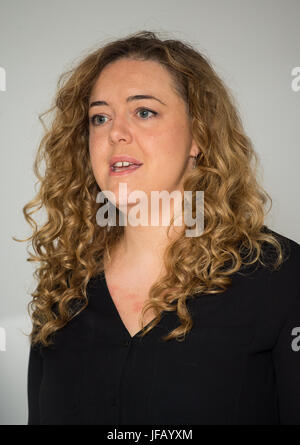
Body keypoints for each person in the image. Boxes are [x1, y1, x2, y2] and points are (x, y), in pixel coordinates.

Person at [16, 30, 300, 425]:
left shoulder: (281, 276)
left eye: (144, 111)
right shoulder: (62, 291)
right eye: (99, 118)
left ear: (198, 136)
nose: (115, 132)